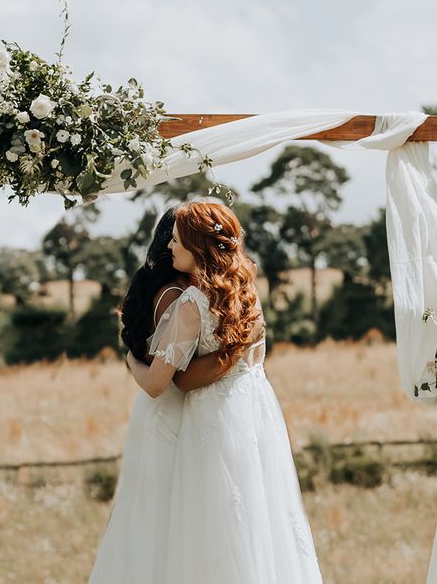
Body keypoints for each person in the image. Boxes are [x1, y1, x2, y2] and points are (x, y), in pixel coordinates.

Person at [126, 201, 324, 583]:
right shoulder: (246, 292)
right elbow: (254, 358)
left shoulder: (190, 305)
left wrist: (131, 361)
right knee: (258, 517)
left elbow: (155, 384)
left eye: (178, 241)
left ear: (197, 247)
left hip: (212, 419)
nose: (170, 247)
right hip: (256, 412)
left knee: (211, 526)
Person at [88, 207, 225, 583]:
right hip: (167, 409)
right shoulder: (175, 295)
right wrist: (132, 360)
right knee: (158, 514)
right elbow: (160, 367)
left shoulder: (180, 290)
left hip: (170, 407)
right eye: (175, 238)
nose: (172, 244)